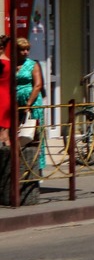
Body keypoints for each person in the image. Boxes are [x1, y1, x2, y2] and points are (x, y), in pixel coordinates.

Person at [14, 37, 45, 170]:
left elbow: (38, 85)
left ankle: (37, 167)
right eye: (22, 50)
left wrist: (28, 105)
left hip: (31, 102)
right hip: (16, 102)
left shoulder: (33, 64)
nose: (26, 52)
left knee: (34, 134)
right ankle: (18, 167)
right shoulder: (12, 64)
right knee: (18, 135)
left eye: (27, 49)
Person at [0, 35, 10, 146]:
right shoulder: (10, 63)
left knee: (2, 134)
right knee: (5, 132)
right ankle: (11, 161)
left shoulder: (2, 64)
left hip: (1, 98)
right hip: (7, 97)